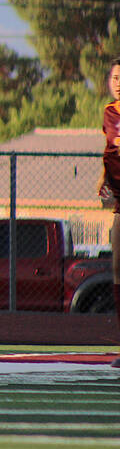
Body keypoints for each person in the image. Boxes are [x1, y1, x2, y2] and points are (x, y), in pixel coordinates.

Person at [94, 57, 120, 368]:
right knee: (117, 271)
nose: (118, 81)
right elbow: (110, 150)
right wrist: (103, 177)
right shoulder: (109, 112)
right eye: (114, 76)